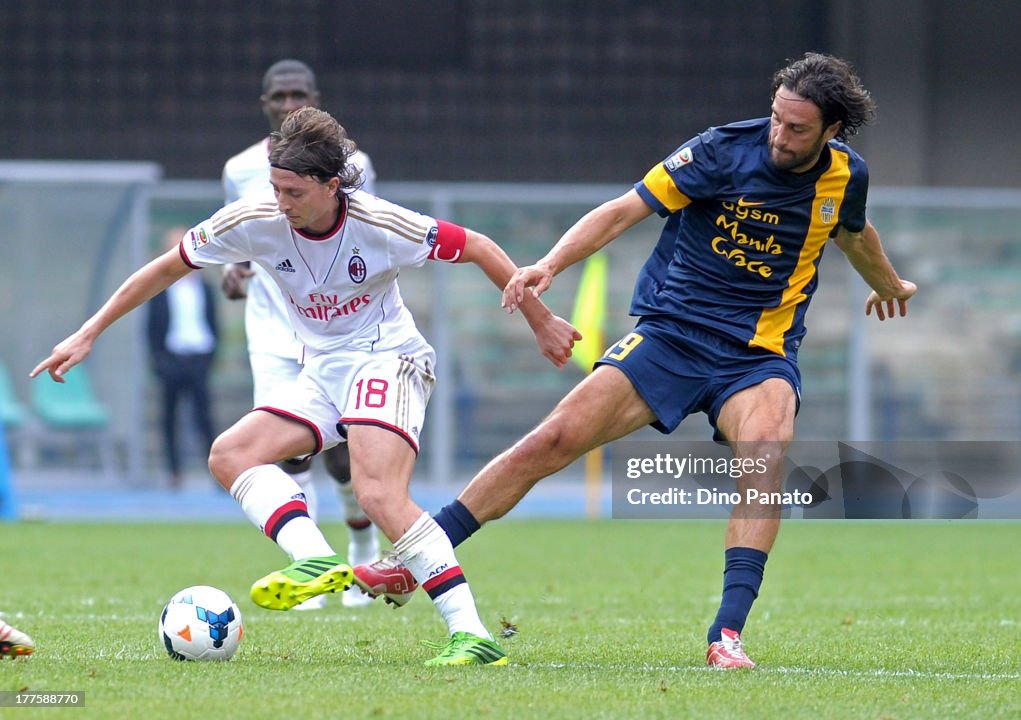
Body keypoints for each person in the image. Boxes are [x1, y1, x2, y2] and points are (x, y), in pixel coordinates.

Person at [352, 52, 917, 668]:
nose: (779, 134)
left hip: (759, 354)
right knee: (551, 440)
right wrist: (549, 264)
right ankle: (418, 559)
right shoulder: (720, 151)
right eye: (777, 118)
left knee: (765, 458)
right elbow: (622, 210)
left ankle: (726, 636)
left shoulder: (845, 176)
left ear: (832, 131)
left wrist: (888, 284)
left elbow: (855, 234)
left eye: (797, 128)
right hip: (673, 336)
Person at [31, 106, 580, 667]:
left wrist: (540, 321)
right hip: (321, 369)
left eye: (293, 192)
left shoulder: (381, 224)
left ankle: (472, 634)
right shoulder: (253, 219)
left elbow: (482, 248)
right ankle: (315, 557)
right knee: (231, 454)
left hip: (389, 360)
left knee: (376, 493)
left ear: (332, 186)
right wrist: (88, 331)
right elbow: (168, 266)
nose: (281, 203)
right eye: (275, 188)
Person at [221, 59, 378, 609]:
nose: (288, 103)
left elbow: (361, 236)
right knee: (284, 455)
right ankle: (309, 565)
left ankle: (361, 542)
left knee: (342, 455)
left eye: (298, 94)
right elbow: (238, 241)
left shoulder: (354, 165)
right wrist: (234, 272)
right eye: (278, 96)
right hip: (271, 330)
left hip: (335, 331)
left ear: (315, 96)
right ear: (264, 103)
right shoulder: (240, 169)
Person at [146, 226, 220, 489]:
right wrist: (159, 360)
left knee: (205, 418)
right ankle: (174, 472)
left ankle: (215, 470)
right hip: (172, 358)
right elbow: (152, 327)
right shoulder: (160, 289)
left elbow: (213, 322)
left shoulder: (206, 287)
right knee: (170, 418)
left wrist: (211, 355)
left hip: (199, 357)